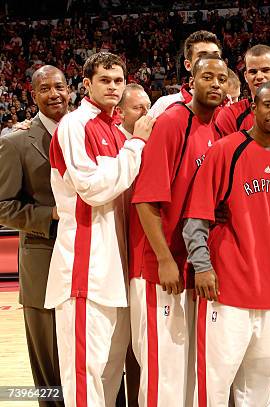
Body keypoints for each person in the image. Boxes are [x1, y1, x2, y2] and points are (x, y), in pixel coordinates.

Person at [45, 52, 155, 407]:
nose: (113, 86)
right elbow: (92, 189)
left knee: (108, 377)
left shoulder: (113, 128)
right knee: (84, 380)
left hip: (115, 273)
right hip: (85, 274)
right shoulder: (75, 125)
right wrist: (137, 144)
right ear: (87, 84)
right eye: (105, 80)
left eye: (118, 80)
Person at [183, 81, 270, 407]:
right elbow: (195, 218)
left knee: (258, 391)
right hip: (225, 291)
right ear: (253, 109)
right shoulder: (226, 150)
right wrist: (202, 267)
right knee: (213, 388)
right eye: (268, 105)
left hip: (266, 297)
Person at [128, 55, 228, 407]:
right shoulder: (172, 123)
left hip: (194, 267)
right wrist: (164, 259)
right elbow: (145, 200)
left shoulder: (218, 130)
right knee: (163, 372)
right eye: (207, 77)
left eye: (221, 79)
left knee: (189, 369)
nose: (215, 84)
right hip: (163, 266)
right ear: (192, 81)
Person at [0, 65, 68, 407]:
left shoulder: (87, 131)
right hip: (43, 258)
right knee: (49, 368)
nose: (54, 93)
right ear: (33, 95)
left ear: (70, 89)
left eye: (59, 86)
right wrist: (50, 216)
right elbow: (3, 206)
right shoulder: (15, 142)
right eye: (45, 88)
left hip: (90, 257)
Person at [115, 82, 151, 407]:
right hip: (113, 261)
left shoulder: (154, 146)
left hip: (139, 260)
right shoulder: (113, 147)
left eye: (148, 106)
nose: (146, 114)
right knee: (115, 354)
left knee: (140, 350)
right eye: (138, 108)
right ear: (120, 113)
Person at [148, 30, 222, 119]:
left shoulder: (228, 108)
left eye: (216, 56)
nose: (211, 61)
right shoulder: (165, 105)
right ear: (188, 65)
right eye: (202, 56)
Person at [215, 44, 270, 137]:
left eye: (265, 70)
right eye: (253, 72)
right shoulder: (230, 115)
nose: (259, 77)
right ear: (246, 76)